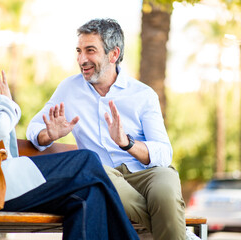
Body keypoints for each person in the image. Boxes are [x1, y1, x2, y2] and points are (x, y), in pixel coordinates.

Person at [0, 15, 139, 240]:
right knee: (87, 160)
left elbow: (5, 136)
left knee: (89, 194)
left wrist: (2, 104)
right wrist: (3, 101)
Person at [27, 18, 200, 240]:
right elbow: (35, 127)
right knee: (101, 177)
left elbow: (163, 154)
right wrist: (47, 135)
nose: (82, 59)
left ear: (114, 54)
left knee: (166, 189)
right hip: (102, 174)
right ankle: (181, 235)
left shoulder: (142, 94)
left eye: (90, 51)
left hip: (146, 174)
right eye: (79, 51)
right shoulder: (69, 89)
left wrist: (127, 143)